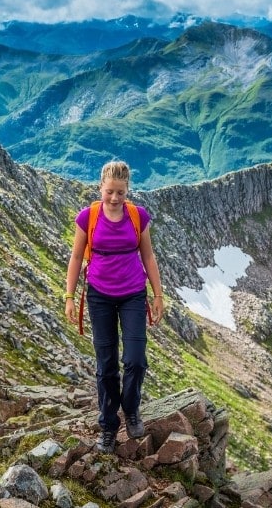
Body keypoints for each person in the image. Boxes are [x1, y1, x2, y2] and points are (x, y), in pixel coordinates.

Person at [64, 160, 165, 453]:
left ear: (127, 190)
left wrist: (158, 295)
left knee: (135, 358)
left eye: (121, 192)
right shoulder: (88, 217)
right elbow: (75, 258)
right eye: (110, 191)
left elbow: (148, 257)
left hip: (134, 293)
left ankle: (131, 410)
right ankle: (108, 425)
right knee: (106, 364)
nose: (115, 198)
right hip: (99, 296)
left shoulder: (138, 216)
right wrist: (69, 297)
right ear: (100, 188)